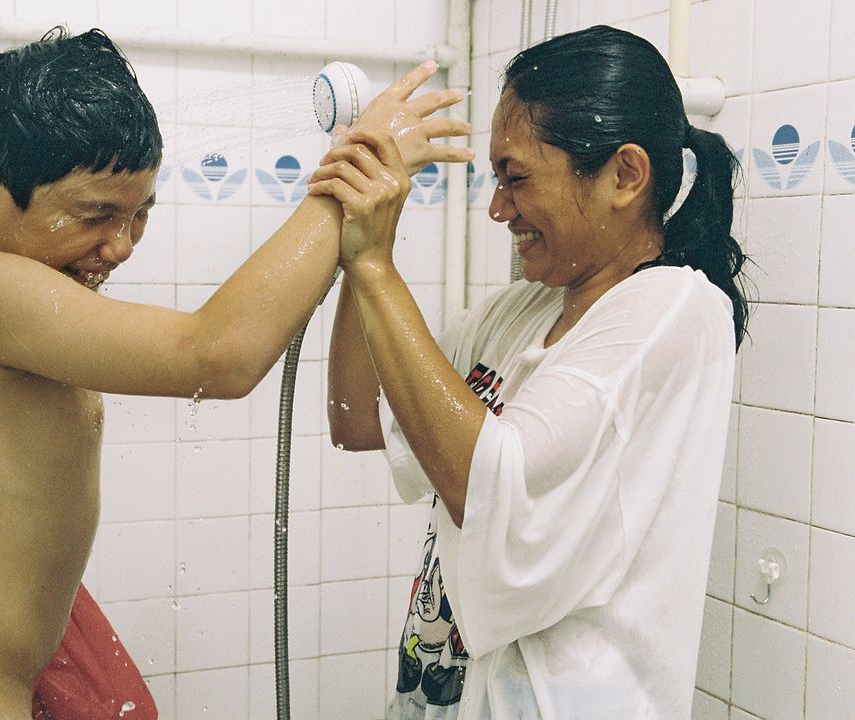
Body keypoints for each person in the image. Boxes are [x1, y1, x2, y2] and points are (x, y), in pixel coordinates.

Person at [0, 27, 472, 720]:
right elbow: (218, 354)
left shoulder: (1, 302)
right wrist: (350, 183)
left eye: (140, 214)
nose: (120, 246)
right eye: (96, 215)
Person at [315, 24, 748, 720]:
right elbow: (357, 420)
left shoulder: (675, 309)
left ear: (624, 176)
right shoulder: (521, 310)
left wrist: (374, 267)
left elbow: (491, 482)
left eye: (516, 179)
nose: (497, 209)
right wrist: (366, 253)